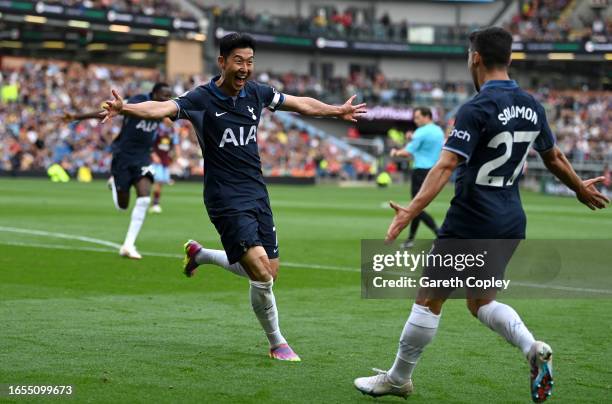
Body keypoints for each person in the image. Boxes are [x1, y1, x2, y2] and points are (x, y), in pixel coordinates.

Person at [354, 27, 609, 401]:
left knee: (428, 298)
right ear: (507, 59)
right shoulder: (532, 105)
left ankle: (398, 378)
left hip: (472, 217)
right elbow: (552, 156)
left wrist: (411, 209)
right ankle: (531, 348)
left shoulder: (476, 108)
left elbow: (444, 166)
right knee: (480, 301)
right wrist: (579, 187)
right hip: (510, 220)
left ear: (475, 58)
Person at [99, 32, 367, 361]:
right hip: (224, 196)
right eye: (239, 61)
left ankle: (200, 254)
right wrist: (126, 108)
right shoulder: (201, 99)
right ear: (222, 62)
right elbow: (161, 108)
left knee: (268, 269)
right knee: (262, 275)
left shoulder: (257, 93)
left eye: (250, 62)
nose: (245, 68)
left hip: (256, 192)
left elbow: (298, 103)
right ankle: (277, 342)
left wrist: (336, 110)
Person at [64, 82, 173, 259]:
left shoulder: (164, 108)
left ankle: (128, 245)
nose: (166, 100)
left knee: (145, 198)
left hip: (143, 157)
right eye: (163, 96)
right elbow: (109, 111)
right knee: (123, 206)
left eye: (169, 96)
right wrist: (77, 116)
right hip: (123, 155)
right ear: (153, 93)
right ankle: (115, 182)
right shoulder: (139, 101)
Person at [390, 107, 443, 248]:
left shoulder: (421, 132)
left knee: (415, 208)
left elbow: (407, 152)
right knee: (417, 206)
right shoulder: (438, 131)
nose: (415, 120)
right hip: (433, 171)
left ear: (427, 116)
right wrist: (411, 137)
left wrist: (395, 152)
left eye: (418, 117)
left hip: (420, 171)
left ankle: (440, 234)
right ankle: (410, 239)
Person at [149, 121, 181, 213]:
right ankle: (150, 201)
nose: (172, 120)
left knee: (160, 182)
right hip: (155, 159)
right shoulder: (157, 128)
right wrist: (153, 155)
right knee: (156, 180)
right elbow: (149, 142)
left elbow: (176, 143)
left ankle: (155, 203)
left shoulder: (172, 130)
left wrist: (178, 156)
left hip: (164, 159)